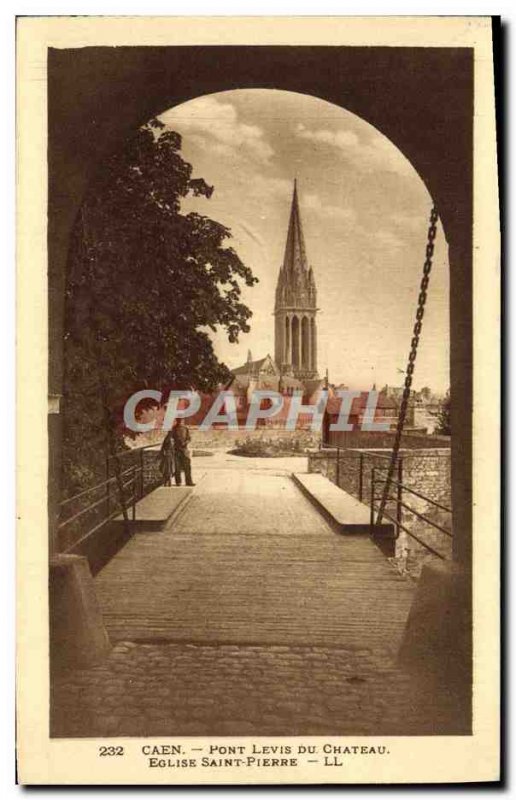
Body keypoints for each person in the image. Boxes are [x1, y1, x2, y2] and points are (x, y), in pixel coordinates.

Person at [172, 418, 195, 486]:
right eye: (179, 420)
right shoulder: (173, 429)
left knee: (187, 466)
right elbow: (171, 438)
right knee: (177, 467)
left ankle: (189, 482)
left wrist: (185, 442)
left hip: (184, 450)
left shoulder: (185, 429)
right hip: (176, 450)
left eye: (181, 420)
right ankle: (178, 482)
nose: (180, 422)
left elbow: (189, 438)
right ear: (177, 421)